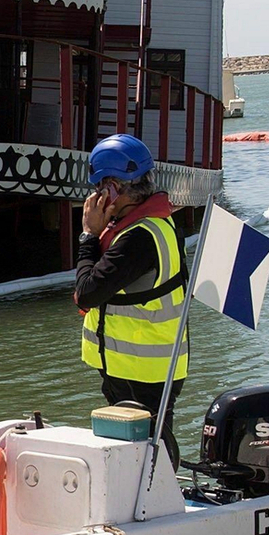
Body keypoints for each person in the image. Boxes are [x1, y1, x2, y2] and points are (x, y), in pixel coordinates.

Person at [75, 132, 188, 465]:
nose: (95, 195)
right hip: (145, 363)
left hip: (140, 367)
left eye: (99, 188)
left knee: (148, 451)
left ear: (113, 188)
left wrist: (88, 236)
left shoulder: (136, 239)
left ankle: (158, 502)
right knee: (144, 445)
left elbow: (88, 292)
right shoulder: (158, 223)